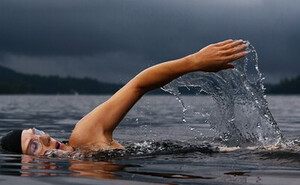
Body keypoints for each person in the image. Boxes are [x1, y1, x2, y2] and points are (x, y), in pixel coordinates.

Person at [0, 39, 247, 156]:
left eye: (37, 132)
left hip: (229, 154)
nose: (44, 137)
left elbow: (138, 85)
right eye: (33, 145)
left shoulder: (84, 137)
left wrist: (194, 62)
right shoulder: (82, 178)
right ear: (27, 168)